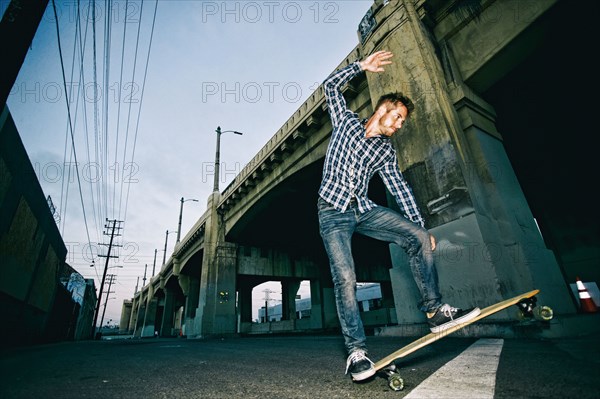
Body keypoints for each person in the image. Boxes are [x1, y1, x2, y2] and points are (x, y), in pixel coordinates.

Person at [317, 50, 481, 382]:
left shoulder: (385, 151)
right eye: (398, 118)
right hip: (332, 212)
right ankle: (356, 352)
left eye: (403, 122)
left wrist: (421, 227)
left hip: (363, 209)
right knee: (345, 278)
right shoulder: (347, 122)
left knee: (418, 238)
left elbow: (400, 188)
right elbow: (329, 88)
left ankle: (434, 311)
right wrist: (360, 67)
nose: (400, 125)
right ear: (383, 110)